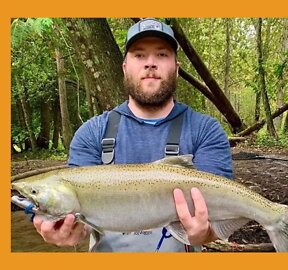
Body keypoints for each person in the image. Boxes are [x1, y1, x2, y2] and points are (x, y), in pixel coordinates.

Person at [32, 18, 233, 252]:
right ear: (125, 67)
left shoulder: (206, 131)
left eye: (161, 55)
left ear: (176, 69)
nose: (150, 63)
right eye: (139, 55)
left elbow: (218, 221)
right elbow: (80, 223)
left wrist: (205, 233)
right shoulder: (91, 133)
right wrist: (67, 232)